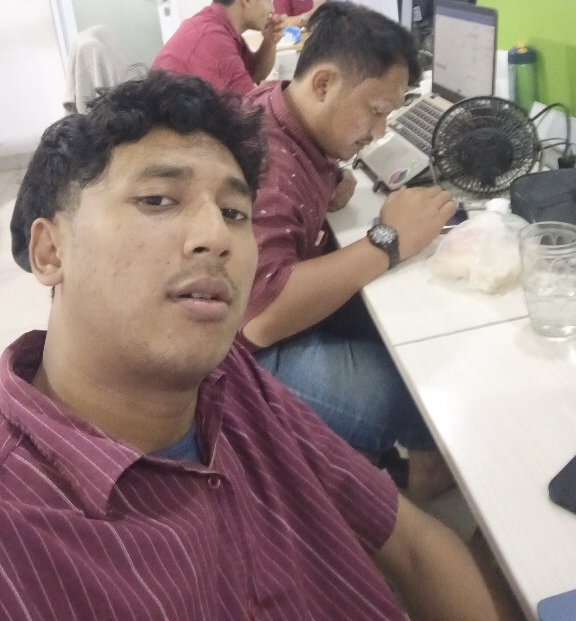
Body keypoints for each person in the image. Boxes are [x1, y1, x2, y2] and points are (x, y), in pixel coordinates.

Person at [3, 72, 521, 621]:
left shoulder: (231, 382)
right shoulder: (22, 544)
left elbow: (413, 547)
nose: (216, 236)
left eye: (234, 212)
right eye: (157, 200)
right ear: (50, 251)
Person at [242, 1, 456, 501]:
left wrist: (329, 177)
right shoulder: (269, 165)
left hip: (264, 310)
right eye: (376, 111)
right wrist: (387, 239)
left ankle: (388, 453)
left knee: (410, 322)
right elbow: (261, 320)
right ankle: (423, 471)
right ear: (323, 84)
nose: (380, 132)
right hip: (239, 359)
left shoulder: (280, 105)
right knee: (417, 387)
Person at [152, 0, 285, 94]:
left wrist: (269, 41)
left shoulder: (221, 26)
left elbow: (254, 74)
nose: (273, 9)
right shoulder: (212, 39)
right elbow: (249, 105)